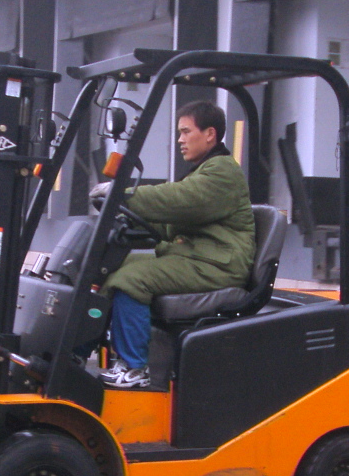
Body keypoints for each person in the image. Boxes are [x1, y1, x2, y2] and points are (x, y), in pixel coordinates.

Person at [89, 100, 256, 389]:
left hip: (217, 266)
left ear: (210, 134)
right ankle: (78, 351)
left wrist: (123, 195)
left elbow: (181, 199)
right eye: (179, 132)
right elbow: (173, 221)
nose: (180, 139)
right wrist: (127, 217)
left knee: (132, 279)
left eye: (186, 131)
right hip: (197, 258)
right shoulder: (204, 171)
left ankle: (134, 368)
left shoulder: (222, 172)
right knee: (107, 267)